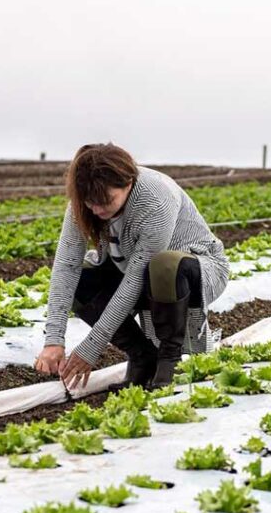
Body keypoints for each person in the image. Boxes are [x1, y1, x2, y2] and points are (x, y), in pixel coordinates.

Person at [33, 143, 230, 392]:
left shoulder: (156, 198)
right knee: (81, 279)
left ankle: (170, 359)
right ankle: (143, 356)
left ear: (128, 183)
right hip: (136, 270)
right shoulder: (85, 199)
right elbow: (66, 265)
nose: (97, 209)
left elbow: (135, 280)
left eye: (106, 201)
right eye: (90, 203)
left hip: (196, 272)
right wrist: (54, 340)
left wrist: (91, 347)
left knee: (164, 265)